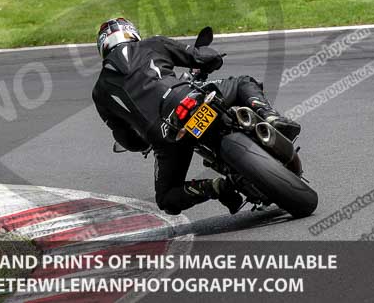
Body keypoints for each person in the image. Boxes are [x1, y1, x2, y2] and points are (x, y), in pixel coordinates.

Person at [91, 17, 301, 216]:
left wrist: (143, 141)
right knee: (242, 82)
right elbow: (202, 57)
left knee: (167, 199)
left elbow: (125, 138)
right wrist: (213, 59)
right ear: (131, 33)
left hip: (166, 136)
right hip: (189, 100)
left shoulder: (99, 92)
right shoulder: (153, 44)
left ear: (103, 47)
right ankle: (271, 118)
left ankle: (215, 187)